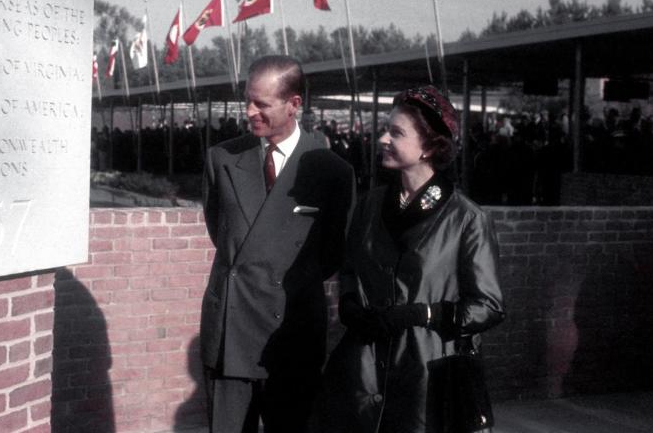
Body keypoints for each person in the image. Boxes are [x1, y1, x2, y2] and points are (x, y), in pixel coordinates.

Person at [322, 85, 505, 433]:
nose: (382, 139)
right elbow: (349, 269)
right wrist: (349, 304)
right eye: (384, 130)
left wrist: (426, 313)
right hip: (363, 370)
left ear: (429, 148)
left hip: (428, 374)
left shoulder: (466, 218)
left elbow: (490, 305)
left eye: (396, 133)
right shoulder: (370, 205)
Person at [201, 55, 355, 433]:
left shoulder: (332, 170)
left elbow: (333, 254)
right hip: (230, 330)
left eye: (262, 104)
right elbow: (220, 231)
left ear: (294, 104)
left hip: (291, 332)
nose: (249, 111)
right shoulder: (222, 159)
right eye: (247, 100)